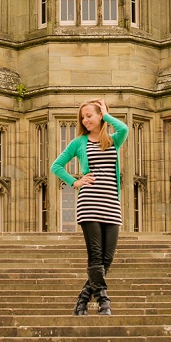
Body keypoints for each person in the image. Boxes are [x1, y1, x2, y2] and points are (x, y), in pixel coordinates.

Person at [51, 99, 129, 315]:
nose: (85, 120)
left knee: (108, 257)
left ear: (100, 116)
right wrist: (76, 182)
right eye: (83, 117)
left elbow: (124, 128)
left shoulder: (113, 140)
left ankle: (83, 299)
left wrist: (106, 114)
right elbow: (56, 166)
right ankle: (104, 301)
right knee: (95, 255)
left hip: (111, 203)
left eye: (89, 115)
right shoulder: (79, 142)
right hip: (89, 203)